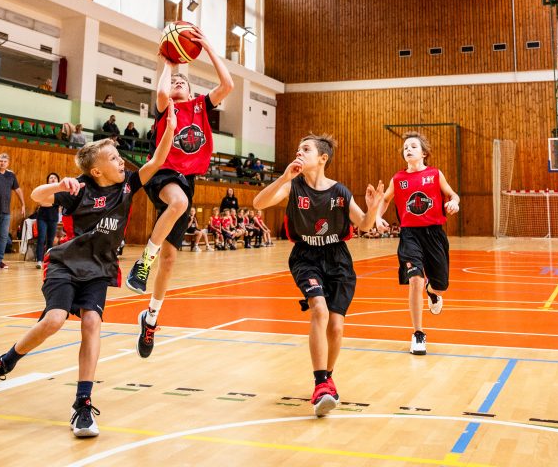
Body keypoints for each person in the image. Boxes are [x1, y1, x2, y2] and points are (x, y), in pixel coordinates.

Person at [0, 100, 177, 437]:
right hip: (65, 264)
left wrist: (171, 127)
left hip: (98, 269)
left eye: (119, 157)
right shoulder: (80, 189)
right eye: (113, 158)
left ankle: (83, 404)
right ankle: (3, 364)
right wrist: (59, 186)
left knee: (92, 323)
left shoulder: (127, 185)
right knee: (54, 320)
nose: (121, 161)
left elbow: (157, 160)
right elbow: (38, 195)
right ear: (96, 170)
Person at [253, 133, 380, 417]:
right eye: (298, 149)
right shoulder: (292, 186)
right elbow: (258, 203)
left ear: (322, 158)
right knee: (319, 309)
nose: (299, 152)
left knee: (335, 327)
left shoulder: (340, 192)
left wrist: (372, 210)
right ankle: (320, 383)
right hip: (306, 257)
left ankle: (328, 378)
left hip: (338, 260)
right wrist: (282, 177)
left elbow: (364, 224)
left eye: (306, 149)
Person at [127, 26, 234, 360]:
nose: (176, 84)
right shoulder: (166, 108)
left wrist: (209, 48)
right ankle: (142, 264)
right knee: (179, 201)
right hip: (161, 172)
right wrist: (169, 64)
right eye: (174, 82)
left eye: (181, 82)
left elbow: (227, 85)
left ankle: (151, 318)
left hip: (187, 178)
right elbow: (161, 91)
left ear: (191, 90)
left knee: (171, 259)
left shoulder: (201, 106)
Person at [375, 130, 460, 356]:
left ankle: (432, 291)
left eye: (413, 146)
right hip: (410, 235)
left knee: (441, 285)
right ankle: (418, 334)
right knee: (414, 280)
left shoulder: (435, 174)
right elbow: (385, 200)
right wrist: (377, 217)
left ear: (424, 153)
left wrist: (455, 203)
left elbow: (453, 195)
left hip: (434, 234)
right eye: (405, 148)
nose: (408, 149)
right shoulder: (398, 179)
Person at [35, 172, 62, 269]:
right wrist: (54, 203)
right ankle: (39, 260)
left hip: (53, 218)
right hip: (42, 217)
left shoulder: (60, 192)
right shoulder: (44, 190)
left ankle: (48, 261)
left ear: (58, 180)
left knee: (50, 240)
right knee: (41, 238)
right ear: (48, 180)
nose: (53, 179)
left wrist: (51, 202)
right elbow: (42, 203)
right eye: (51, 178)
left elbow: (60, 207)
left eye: (55, 178)